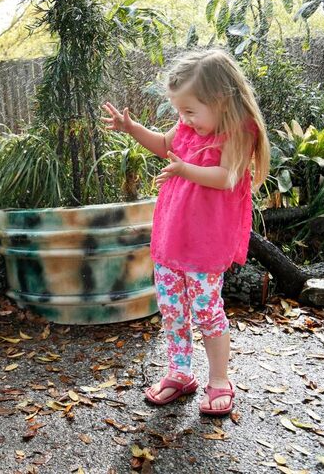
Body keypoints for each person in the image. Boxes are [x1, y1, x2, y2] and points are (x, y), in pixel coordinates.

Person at [101, 48, 270, 415]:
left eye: (191, 111)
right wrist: (131, 129)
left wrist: (184, 170)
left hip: (204, 246)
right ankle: (180, 371)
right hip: (171, 239)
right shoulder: (189, 128)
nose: (184, 120)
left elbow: (226, 177)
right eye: (180, 112)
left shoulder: (238, 131)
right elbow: (163, 145)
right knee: (173, 310)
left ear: (222, 101)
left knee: (208, 311)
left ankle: (220, 380)